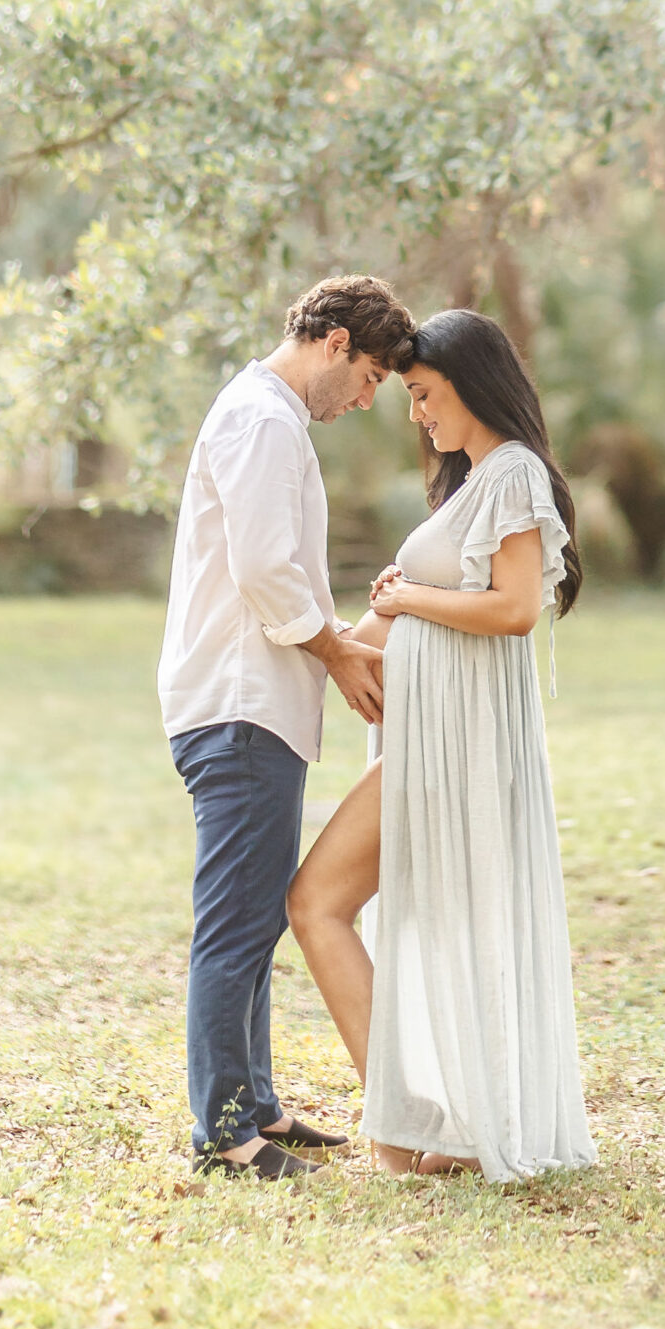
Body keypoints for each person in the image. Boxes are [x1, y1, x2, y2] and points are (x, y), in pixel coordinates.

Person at [287, 309, 596, 1182]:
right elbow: (393, 619)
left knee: (314, 903)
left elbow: (513, 608)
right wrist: (327, 646)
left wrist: (407, 602)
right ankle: (419, 1123)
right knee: (324, 907)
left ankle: (414, 1125)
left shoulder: (514, 476)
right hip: (423, 739)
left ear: (470, 382)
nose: (418, 414)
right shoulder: (470, 486)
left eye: (422, 394)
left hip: (450, 749)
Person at [160, 274, 417, 1179]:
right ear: (338, 343)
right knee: (233, 925)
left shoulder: (270, 418)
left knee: (256, 915)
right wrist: (339, 653)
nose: (370, 398)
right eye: (375, 375)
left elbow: (278, 571)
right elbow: (267, 567)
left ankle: (256, 1107)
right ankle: (226, 1135)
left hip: (255, 702)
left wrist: (350, 633)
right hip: (237, 703)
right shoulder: (264, 419)